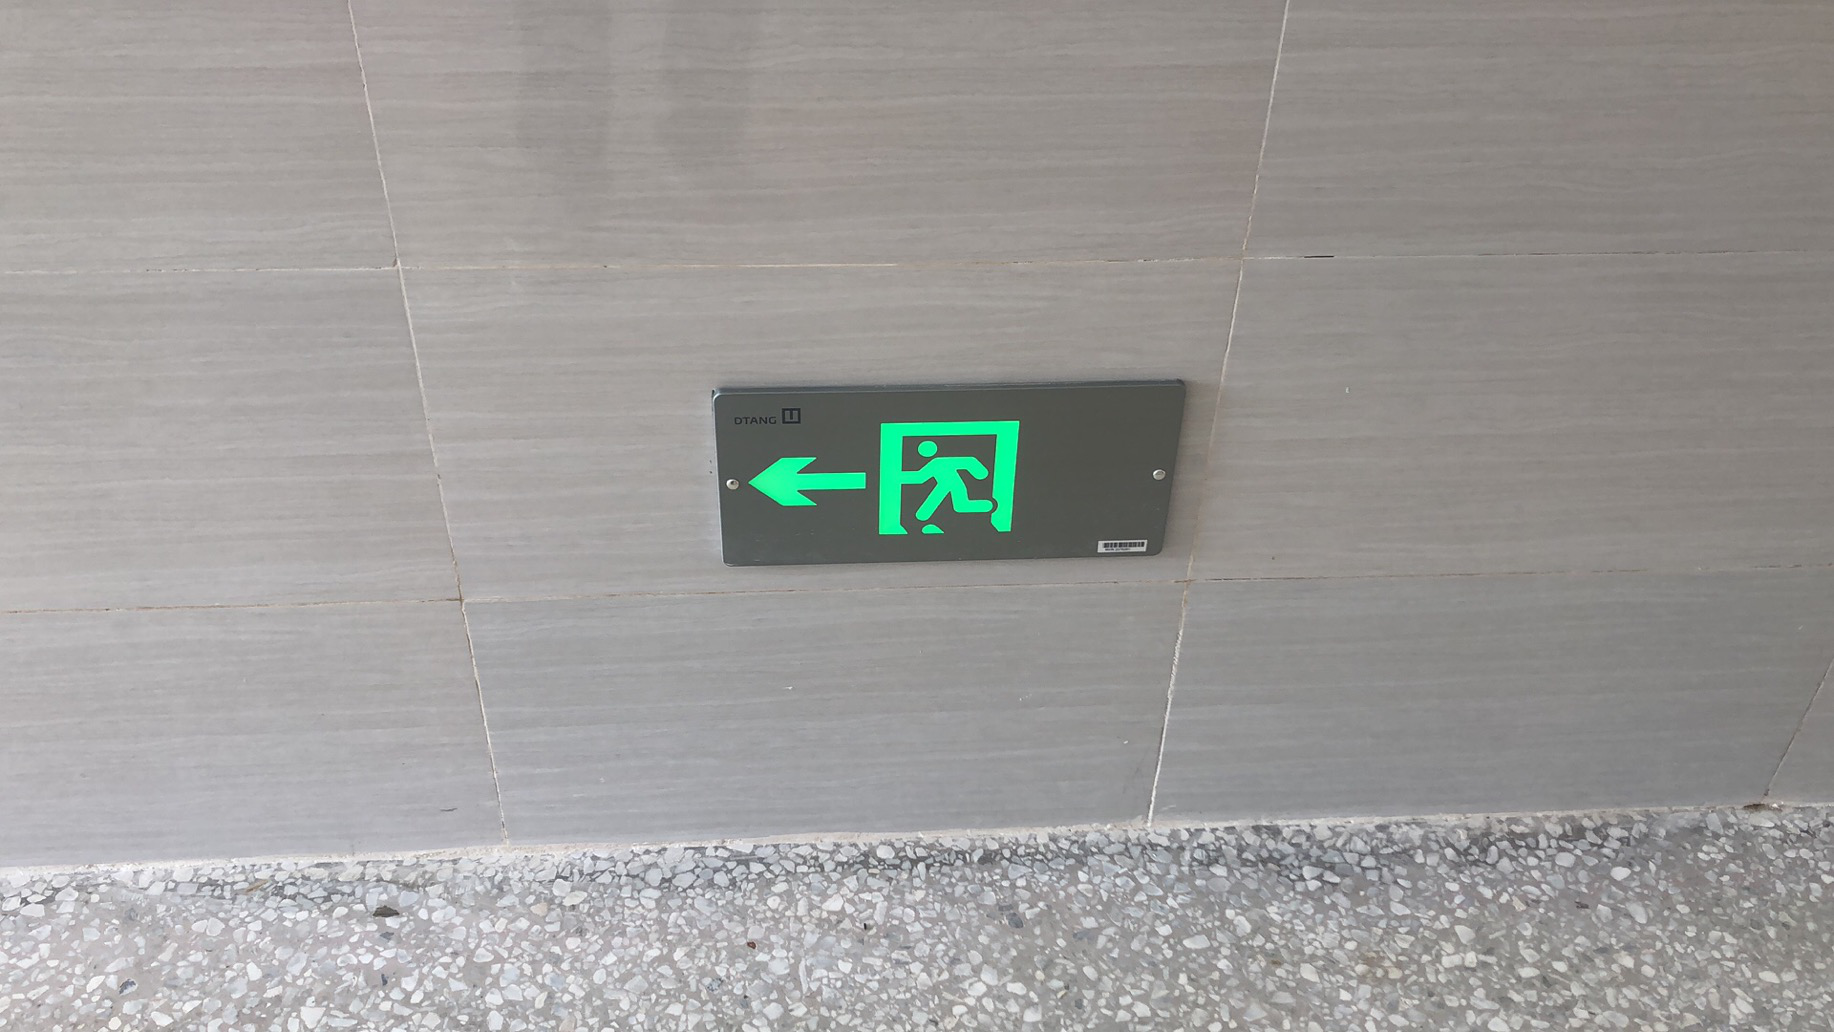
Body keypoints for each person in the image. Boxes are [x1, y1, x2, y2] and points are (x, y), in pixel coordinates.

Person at [911, 440, 994, 532]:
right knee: (957, 503)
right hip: (947, 485)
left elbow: (968, 462)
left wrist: (979, 472)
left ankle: (922, 515)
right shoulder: (936, 462)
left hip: (952, 484)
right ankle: (922, 515)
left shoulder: (936, 462)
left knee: (958, 503)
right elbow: (920, 477)